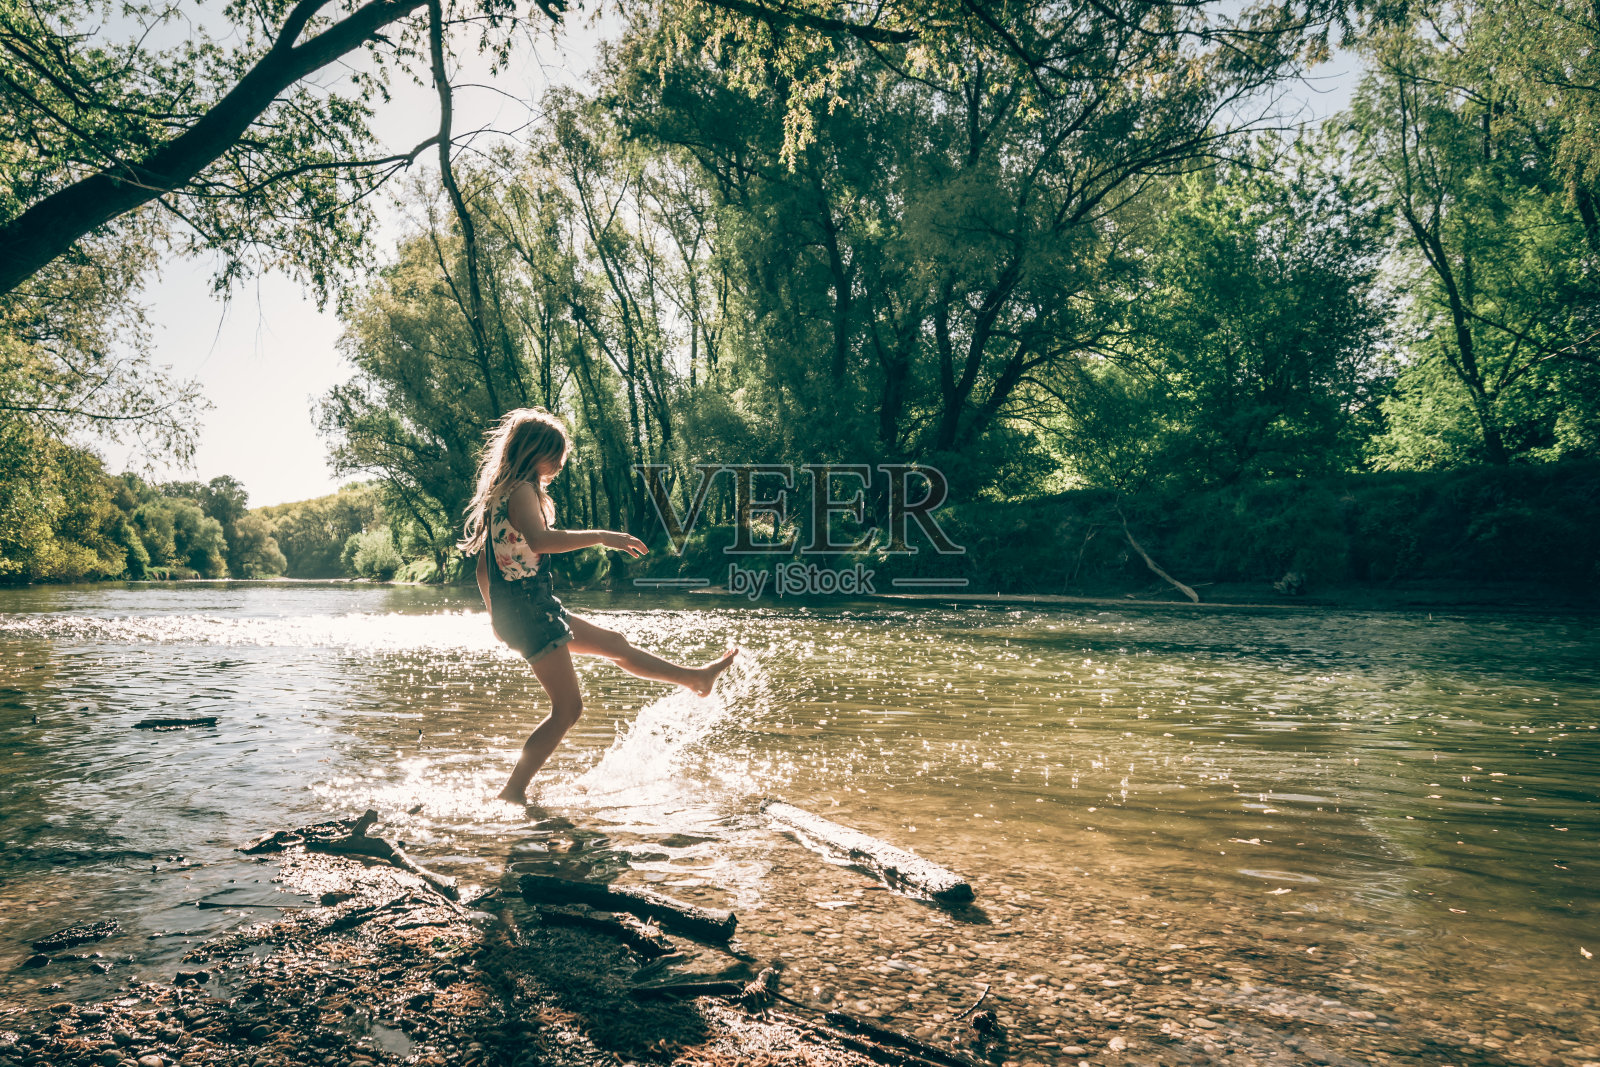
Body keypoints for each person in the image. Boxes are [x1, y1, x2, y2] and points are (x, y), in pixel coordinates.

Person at [459, 407, 738, 803]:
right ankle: (512, 792)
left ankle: (694, 678)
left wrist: (495, 616)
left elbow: (484, 571)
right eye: (555, 453)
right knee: (568, 710)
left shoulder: (502, 494)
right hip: (528, 608)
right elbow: (540, 541)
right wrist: (604, 536)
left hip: (527, 606)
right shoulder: (520, 491)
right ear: (532, 450)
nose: (560, 461)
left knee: (615, 643)